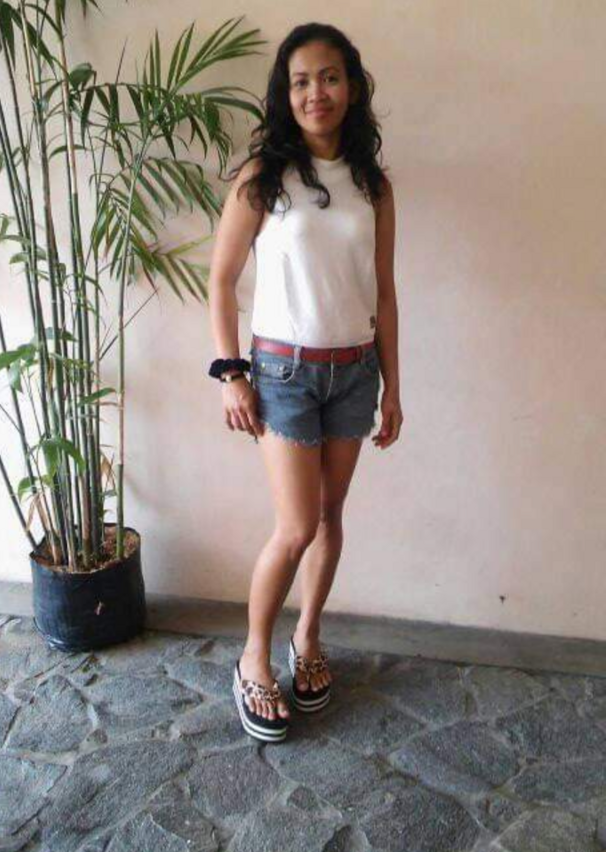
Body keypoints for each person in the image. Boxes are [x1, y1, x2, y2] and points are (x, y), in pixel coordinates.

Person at [208, 22, 403, 743]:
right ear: (285, 95)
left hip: (355, 371)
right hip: (282, 373)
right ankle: (253, 659)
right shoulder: (263, 177)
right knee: (294, 528)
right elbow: (221, 280)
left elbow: (384, 291)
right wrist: (231, 372)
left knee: (329, 518)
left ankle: (308, 638)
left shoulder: (372, 185)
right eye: (299, 81)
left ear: (350, 87)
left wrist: (394, 386)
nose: (314, 92)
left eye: (328, 77)